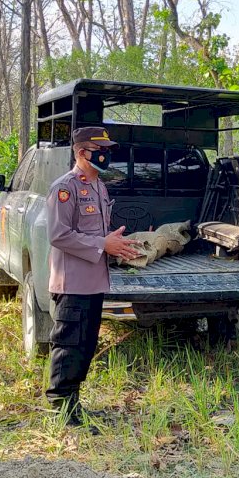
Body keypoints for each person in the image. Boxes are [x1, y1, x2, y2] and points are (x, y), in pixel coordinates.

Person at [45, 126, 141, 432]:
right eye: (99, 149)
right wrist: (103, 244)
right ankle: (61, 408)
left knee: (85, 345)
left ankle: (74, 405)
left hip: (94, 280)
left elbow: (97, 234)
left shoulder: (99, 186)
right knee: (70, 343)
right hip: (73, 282)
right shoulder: (65, 188)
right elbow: (59, 235)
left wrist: (115, 247)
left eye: (107, 149)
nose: (106, 154)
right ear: (81, 152)